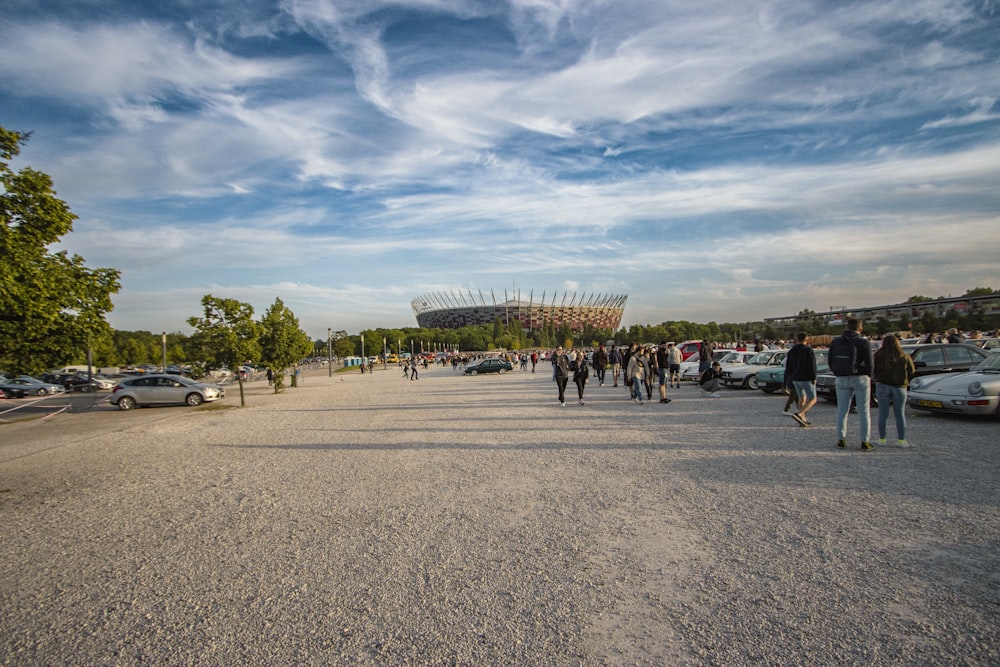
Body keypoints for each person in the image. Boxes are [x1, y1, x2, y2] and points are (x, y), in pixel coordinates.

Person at [828, 318, 876, 450]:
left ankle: (841, 438)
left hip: (842, 377)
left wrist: (836, 371)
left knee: (842, 410)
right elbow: (870, 363)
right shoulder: (863, 342)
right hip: (860, 377)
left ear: (846, 327)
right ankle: (865, 441)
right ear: (860, 329)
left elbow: (830, 360)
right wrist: (869, 375)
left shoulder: (836, 341)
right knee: (864, 411)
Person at [873, 334, 916, 447]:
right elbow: (912, 371)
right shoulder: (905, 356)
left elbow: (873, 369)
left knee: (883, 414)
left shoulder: (878, 355)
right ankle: (901, 440)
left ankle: (882, 439)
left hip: (882, 385)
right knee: (899, 414)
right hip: (900, 386)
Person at [784, 332, 817, 427]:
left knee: (801, 398)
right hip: (806, 377)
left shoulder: (791, 351)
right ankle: (800, 414)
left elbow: (788, 367)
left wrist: (788, 380)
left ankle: (803, 419)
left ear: (797, 339)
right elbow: (812, 365)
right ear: (806, 340)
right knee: (813, 399)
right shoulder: (808, 350)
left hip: (795, 378)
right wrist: (814, 377)